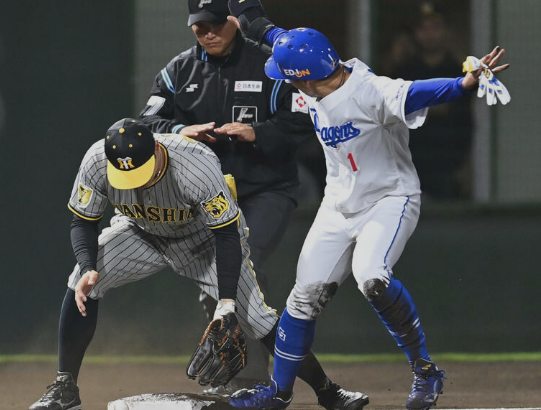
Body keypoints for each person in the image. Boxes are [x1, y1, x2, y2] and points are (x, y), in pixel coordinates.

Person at [226, 2, 510, 409]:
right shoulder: (313, 65)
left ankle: (425, 372)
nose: (284, 81)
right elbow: (266, 29)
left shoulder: (370, 91)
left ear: (303, 79)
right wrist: (244, 7)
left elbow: (416, 91)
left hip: (389, 199)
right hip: (338, 203)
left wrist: (464, 84)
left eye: (288, 78)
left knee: (371, 277)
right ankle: (279, 393)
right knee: (302, 297)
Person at [28, 118, 368, 410]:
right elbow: (83, 222)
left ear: (157, 151)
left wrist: (226, 304)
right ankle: (64, 386)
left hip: (204, 241)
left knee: (259, 319)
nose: (137, 181)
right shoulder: (96, 161)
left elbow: (227, 235)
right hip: (140, 233)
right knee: (82, 283)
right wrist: (88, 265)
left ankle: (328, 391)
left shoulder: (195, 164)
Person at [138, 0, 318, 388]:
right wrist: (178, 130)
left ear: (234, 22)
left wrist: (261, 133)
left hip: (266, 190)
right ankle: (234, 369)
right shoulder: (178, 70)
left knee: (240, 264)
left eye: (216, 23)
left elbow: (306, 121)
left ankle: (248, 379)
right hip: (210, 197)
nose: (208, 33)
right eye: (200, 26)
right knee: (217, 280)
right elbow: (146, 122)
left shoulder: (272, 66)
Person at [388, 4, 473, 200]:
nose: (429, 34)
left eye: (435, 28)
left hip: (448, 167)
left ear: (447, 32)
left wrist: (464, 167)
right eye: (423, 28)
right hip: (408, 166)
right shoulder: (404, 72)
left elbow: (466, 123)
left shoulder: (459, 74)